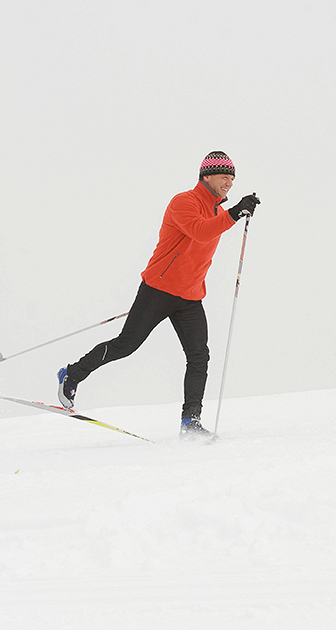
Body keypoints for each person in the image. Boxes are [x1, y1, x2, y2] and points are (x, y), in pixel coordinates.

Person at [56, 151, 260, 440]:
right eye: (224, 176)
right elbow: (199, 232)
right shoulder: (184, 202)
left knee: (199, 356)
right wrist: (234, 213)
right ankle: (72, 374)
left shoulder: (218, 212)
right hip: (159, 289)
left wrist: (232, 213)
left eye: (232, 178)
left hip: (190, 296)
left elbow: (210, 230)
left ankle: (191, 422)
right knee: (126, 345)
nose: (229, 182)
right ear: (206, 176)